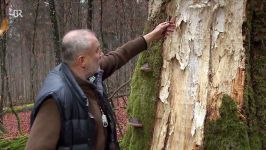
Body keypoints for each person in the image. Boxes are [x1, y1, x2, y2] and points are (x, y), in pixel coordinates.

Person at [25, 21, 175, 150]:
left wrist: (152, 36)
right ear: (82, 60)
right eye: (97, 50)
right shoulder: (55, 99)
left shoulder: (88, 75)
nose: (101, 54)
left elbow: (118, 56)